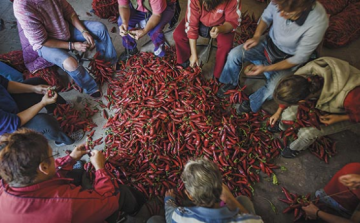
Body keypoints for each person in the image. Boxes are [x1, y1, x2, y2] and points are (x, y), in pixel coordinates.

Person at [0, 129, 146, 222]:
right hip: (66, 213)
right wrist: (99, 168)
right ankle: (138, 209)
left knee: (73, 173)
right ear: (43, 167)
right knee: (120, 192)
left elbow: (46, 175)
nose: (55, 159)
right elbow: (108, 200)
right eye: (52, 156)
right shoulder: (64, 204)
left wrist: (70, 159)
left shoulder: (7, 182)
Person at [216, 0, 328, 114]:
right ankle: (230, 81)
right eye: (280, 9)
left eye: (288, 13)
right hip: (269, 43)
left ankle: (252, 102)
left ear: (303, 9)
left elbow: (299, 58)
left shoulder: (318, 21)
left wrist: (265, 68)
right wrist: (256, 36)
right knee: (234, 54)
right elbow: (266, 17)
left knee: (275, 88)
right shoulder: (281, 1)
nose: (281, 15)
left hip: (288, 58)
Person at [13, 0, 117, 98]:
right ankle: (91, 88)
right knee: (71, 64)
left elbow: (69, 12)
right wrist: (72, 45)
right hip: (46, 43)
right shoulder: (22, 7)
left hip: (62, 28)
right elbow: (43, 41)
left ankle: (107, 64)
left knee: (99, 29)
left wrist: (84, 31)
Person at [269, 57, 360, 158]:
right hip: (324, 97)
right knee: (287, 115)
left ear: (302, 101)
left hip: (349, 109)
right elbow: (289, 92)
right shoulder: (301, 77)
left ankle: (295, 148)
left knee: (307, 133)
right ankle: (281, 126)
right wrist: (279, 111)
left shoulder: (351, 97)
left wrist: (339, 118)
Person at [147, 158, 264, 223]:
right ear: (221, 186)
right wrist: (229, 199)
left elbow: (169, 214)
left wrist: (169, 200)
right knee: (243, 200)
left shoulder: (180, 217)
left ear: (190, 196)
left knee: (154, 220)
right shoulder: (248, 221)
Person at [0, 74, 83, 146]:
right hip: (9, 129)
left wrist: (34, 88)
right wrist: (42, 103)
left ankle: (62, 111)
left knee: (37, 82)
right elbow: (13, 122)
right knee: (45, 123)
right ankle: (62, 138)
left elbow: (7, 85)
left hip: (10, 107)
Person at [173, 0, 241, 79]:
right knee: (178, 35)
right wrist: (193, 54)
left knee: (225, 46)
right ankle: (184, 60)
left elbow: (232, 22)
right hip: (199, 21)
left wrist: (220, 29)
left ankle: (218, 75)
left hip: (222, 24)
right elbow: (191, 25)